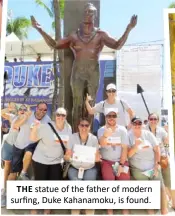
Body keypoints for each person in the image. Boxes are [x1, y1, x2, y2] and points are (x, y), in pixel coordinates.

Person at [31, 3, 137, 131]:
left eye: (91, 12)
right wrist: (40, 29)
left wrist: (129, 28)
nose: (88, 14)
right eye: (86, 12)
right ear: (83, 15)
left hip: (93, 72)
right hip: (78, 73)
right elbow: (55, 44)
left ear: (95, 15)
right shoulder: (74, 35)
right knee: (77, 104)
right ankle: (76, 133)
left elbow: (117, 45)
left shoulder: (100, 34)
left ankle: (88, 133)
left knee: (90, 105)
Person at [30, 107, 72, 215]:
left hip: (56, 162)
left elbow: (68, 146)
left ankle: (46, 212)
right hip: (40, 160)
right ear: (55, 116)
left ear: (66, 117)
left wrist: (68, 154)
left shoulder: (68, 128)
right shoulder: (46, 127)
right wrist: (34, 128)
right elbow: (33, 138)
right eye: (58, 115)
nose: (60, 117)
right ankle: (33, 211)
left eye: (63, 115)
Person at [128, 116, 168, 215]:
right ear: (131, 125)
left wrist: (156, 165)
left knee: (160, 186)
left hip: (152, 166)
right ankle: (151, 212)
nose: (137, 125)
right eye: (135, 123)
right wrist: (136, 146)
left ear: (142, 125)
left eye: (139, 123)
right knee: (146, 188)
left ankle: (164, 211)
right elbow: (128, 155)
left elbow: (157, 149)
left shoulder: (148, 134)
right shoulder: (128, 136)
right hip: (138, 169)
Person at [7, 102, 51, 183]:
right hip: (19, 145)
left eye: (45, 110)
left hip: (32, 145)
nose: (42, 111)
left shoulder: (47, 119)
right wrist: (25, 117)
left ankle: (23, 175)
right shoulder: (27, 114)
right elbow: (15, 125)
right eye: (40, 109)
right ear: (36, 108)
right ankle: (8, 192)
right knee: (13, 173)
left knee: (31, 171)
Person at [97, 108, 130, 215]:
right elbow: (101, 144)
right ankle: (110, 211)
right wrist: (106, 135)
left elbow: (124, 148)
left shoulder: (122, 130)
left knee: (124, 183)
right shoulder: (101, 130)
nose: (111, 118)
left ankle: (125, 210)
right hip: (106, 161)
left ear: (117, 117)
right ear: (106, 117)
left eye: (113, 116)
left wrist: (121, 164)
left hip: (121, 161)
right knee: (109, 182)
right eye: (109, 116)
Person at [65, 117, 100, 215]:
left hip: (90, 167)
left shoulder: (93, 139)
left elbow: (97, 157)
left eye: (86, 125)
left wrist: (93, 158)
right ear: (78, 127)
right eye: (82, 125)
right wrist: (70, 157)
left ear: (89, 127)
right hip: (75, 167)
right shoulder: (72, 137)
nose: (84, 127)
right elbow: (67, 156)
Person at [146, 113, 175, 210]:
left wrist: (167, 153)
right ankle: (164, 201)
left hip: (162, 159)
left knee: (169, 179)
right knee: (158, 181)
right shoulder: (144, 130)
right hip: (151, 160)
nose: (153, 121)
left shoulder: (161, 131)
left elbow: (167, 143)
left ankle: (173, 202)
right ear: (148, 119)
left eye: (155, 119)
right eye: (151, 119)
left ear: (158, 121)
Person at [1, 103, 27, 207]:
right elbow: (1, 113)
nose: (22, 110)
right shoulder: (13, 117)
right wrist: (8, 108)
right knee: (7, 167)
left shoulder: (28, 121)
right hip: (9, 145)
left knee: (16, 170)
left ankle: (13, 193)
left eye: (24, 109)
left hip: (19, 148)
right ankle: (5, 192)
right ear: (17, 111)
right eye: (20, 109)